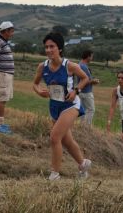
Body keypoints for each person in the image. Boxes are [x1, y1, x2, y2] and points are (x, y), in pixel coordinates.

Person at [33, 32, 92, 180]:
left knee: (54, 137)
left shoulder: (69, 66)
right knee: (67, 141)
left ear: (59, 48)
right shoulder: (42, 67)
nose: (48, 50)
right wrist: (39, 91)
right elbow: (35, 84)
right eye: (46, 47)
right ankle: (83, 164)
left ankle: (54, 174)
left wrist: (76, 91)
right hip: (54, 107)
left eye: (52, 46)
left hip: (70, 105)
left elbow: (86, 78)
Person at [77, 50, 100, 127]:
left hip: (80, 91)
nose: (92, 58)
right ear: (88, 56)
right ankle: (86, 127)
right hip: (86, 92)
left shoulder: (79, 65)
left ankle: (82, 126)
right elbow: (85, 81)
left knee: (83, 110)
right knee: (91, 110)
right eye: (91, 56)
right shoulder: (84, 66)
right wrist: (94, 81)